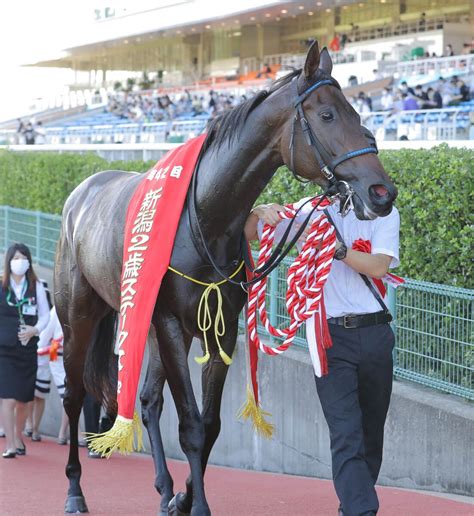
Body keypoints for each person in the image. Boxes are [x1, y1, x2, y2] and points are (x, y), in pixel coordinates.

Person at [245, 192, 400, 516]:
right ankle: (362, 510)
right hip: (330, 338)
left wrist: (338, 250)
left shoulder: (383, 212)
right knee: (345, 431)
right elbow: (249, 232)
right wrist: (259, 211)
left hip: (375, 333)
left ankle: (353, 505)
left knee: (371, 433)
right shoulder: (307, 212)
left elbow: (379, 265)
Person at [0, 243, 50, 458]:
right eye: (15, 258)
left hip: (27, 348)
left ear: (28, 261)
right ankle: (10, 444)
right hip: (5, 349)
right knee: (7, 398)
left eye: (23, 257)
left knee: (23, 399)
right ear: (9, 261)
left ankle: (18, 435)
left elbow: (46, 315)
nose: (19, 261)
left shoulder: (37, 286)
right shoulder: (2, 286)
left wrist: (34, 330)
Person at [31, 306, 69, 444]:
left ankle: (63, 432)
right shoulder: (56, 310)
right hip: (55, 356)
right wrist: (36, 350)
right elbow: (45, 336)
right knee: (37, 393)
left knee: (70, 396)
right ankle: (33, 427)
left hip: (73, 356)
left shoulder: (81, 307)